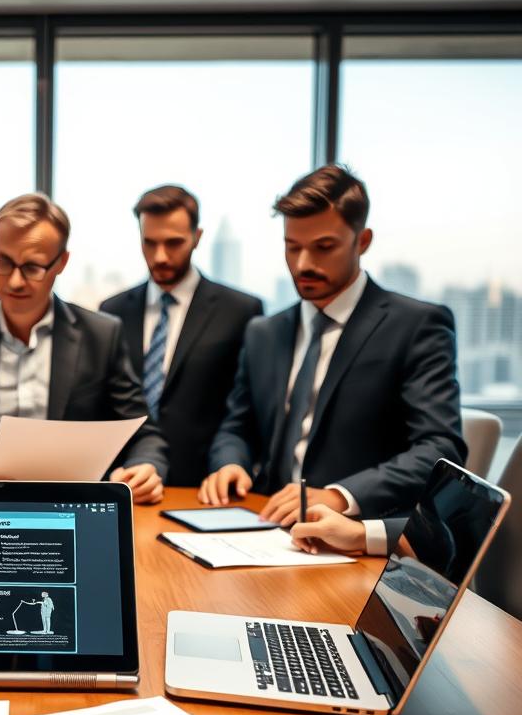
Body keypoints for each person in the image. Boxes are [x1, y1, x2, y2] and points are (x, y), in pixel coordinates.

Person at [200, 164, 466, 524]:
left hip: (355, 534)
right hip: (262, 524)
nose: (303, 264)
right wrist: (231, 462)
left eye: (324, 247)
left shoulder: (417, 326)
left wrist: (340, 496)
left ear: (363, 241)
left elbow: (439, 450)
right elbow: (237, 425)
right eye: (292, 247)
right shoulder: (264, 332)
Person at [0, 193, 169, 504]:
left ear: (61, 263)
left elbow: (144, 434)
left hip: (70, 507)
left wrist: (144, 467)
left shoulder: (101, 335)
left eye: (32, 267)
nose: (14, 281)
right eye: (3, 262)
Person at [99, 185, 263, 486]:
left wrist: (231, 464)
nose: (160, 256)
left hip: (205, 485)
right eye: (150, 243)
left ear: (197, 237)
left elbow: (246, 409)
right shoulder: (112, 311)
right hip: (127, 483)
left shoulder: (240, 310)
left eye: (173, 243)